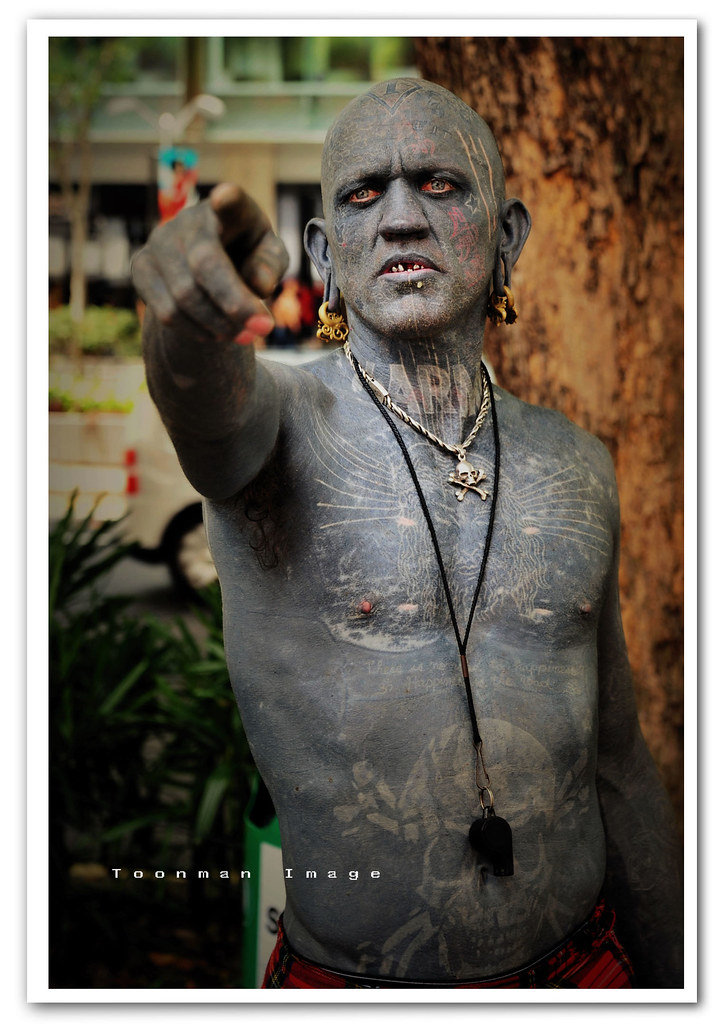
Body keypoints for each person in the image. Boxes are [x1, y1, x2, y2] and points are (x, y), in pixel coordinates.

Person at [133, 78, 683, 989]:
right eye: (362, 194)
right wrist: (188, 318)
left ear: (506, 237)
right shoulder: (281, 430)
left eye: (438, 184)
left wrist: (681, 979)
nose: (398, 218)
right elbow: (203, 406)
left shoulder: (577, 464)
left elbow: (617, 760)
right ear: (325, 251)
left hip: (587, 970)